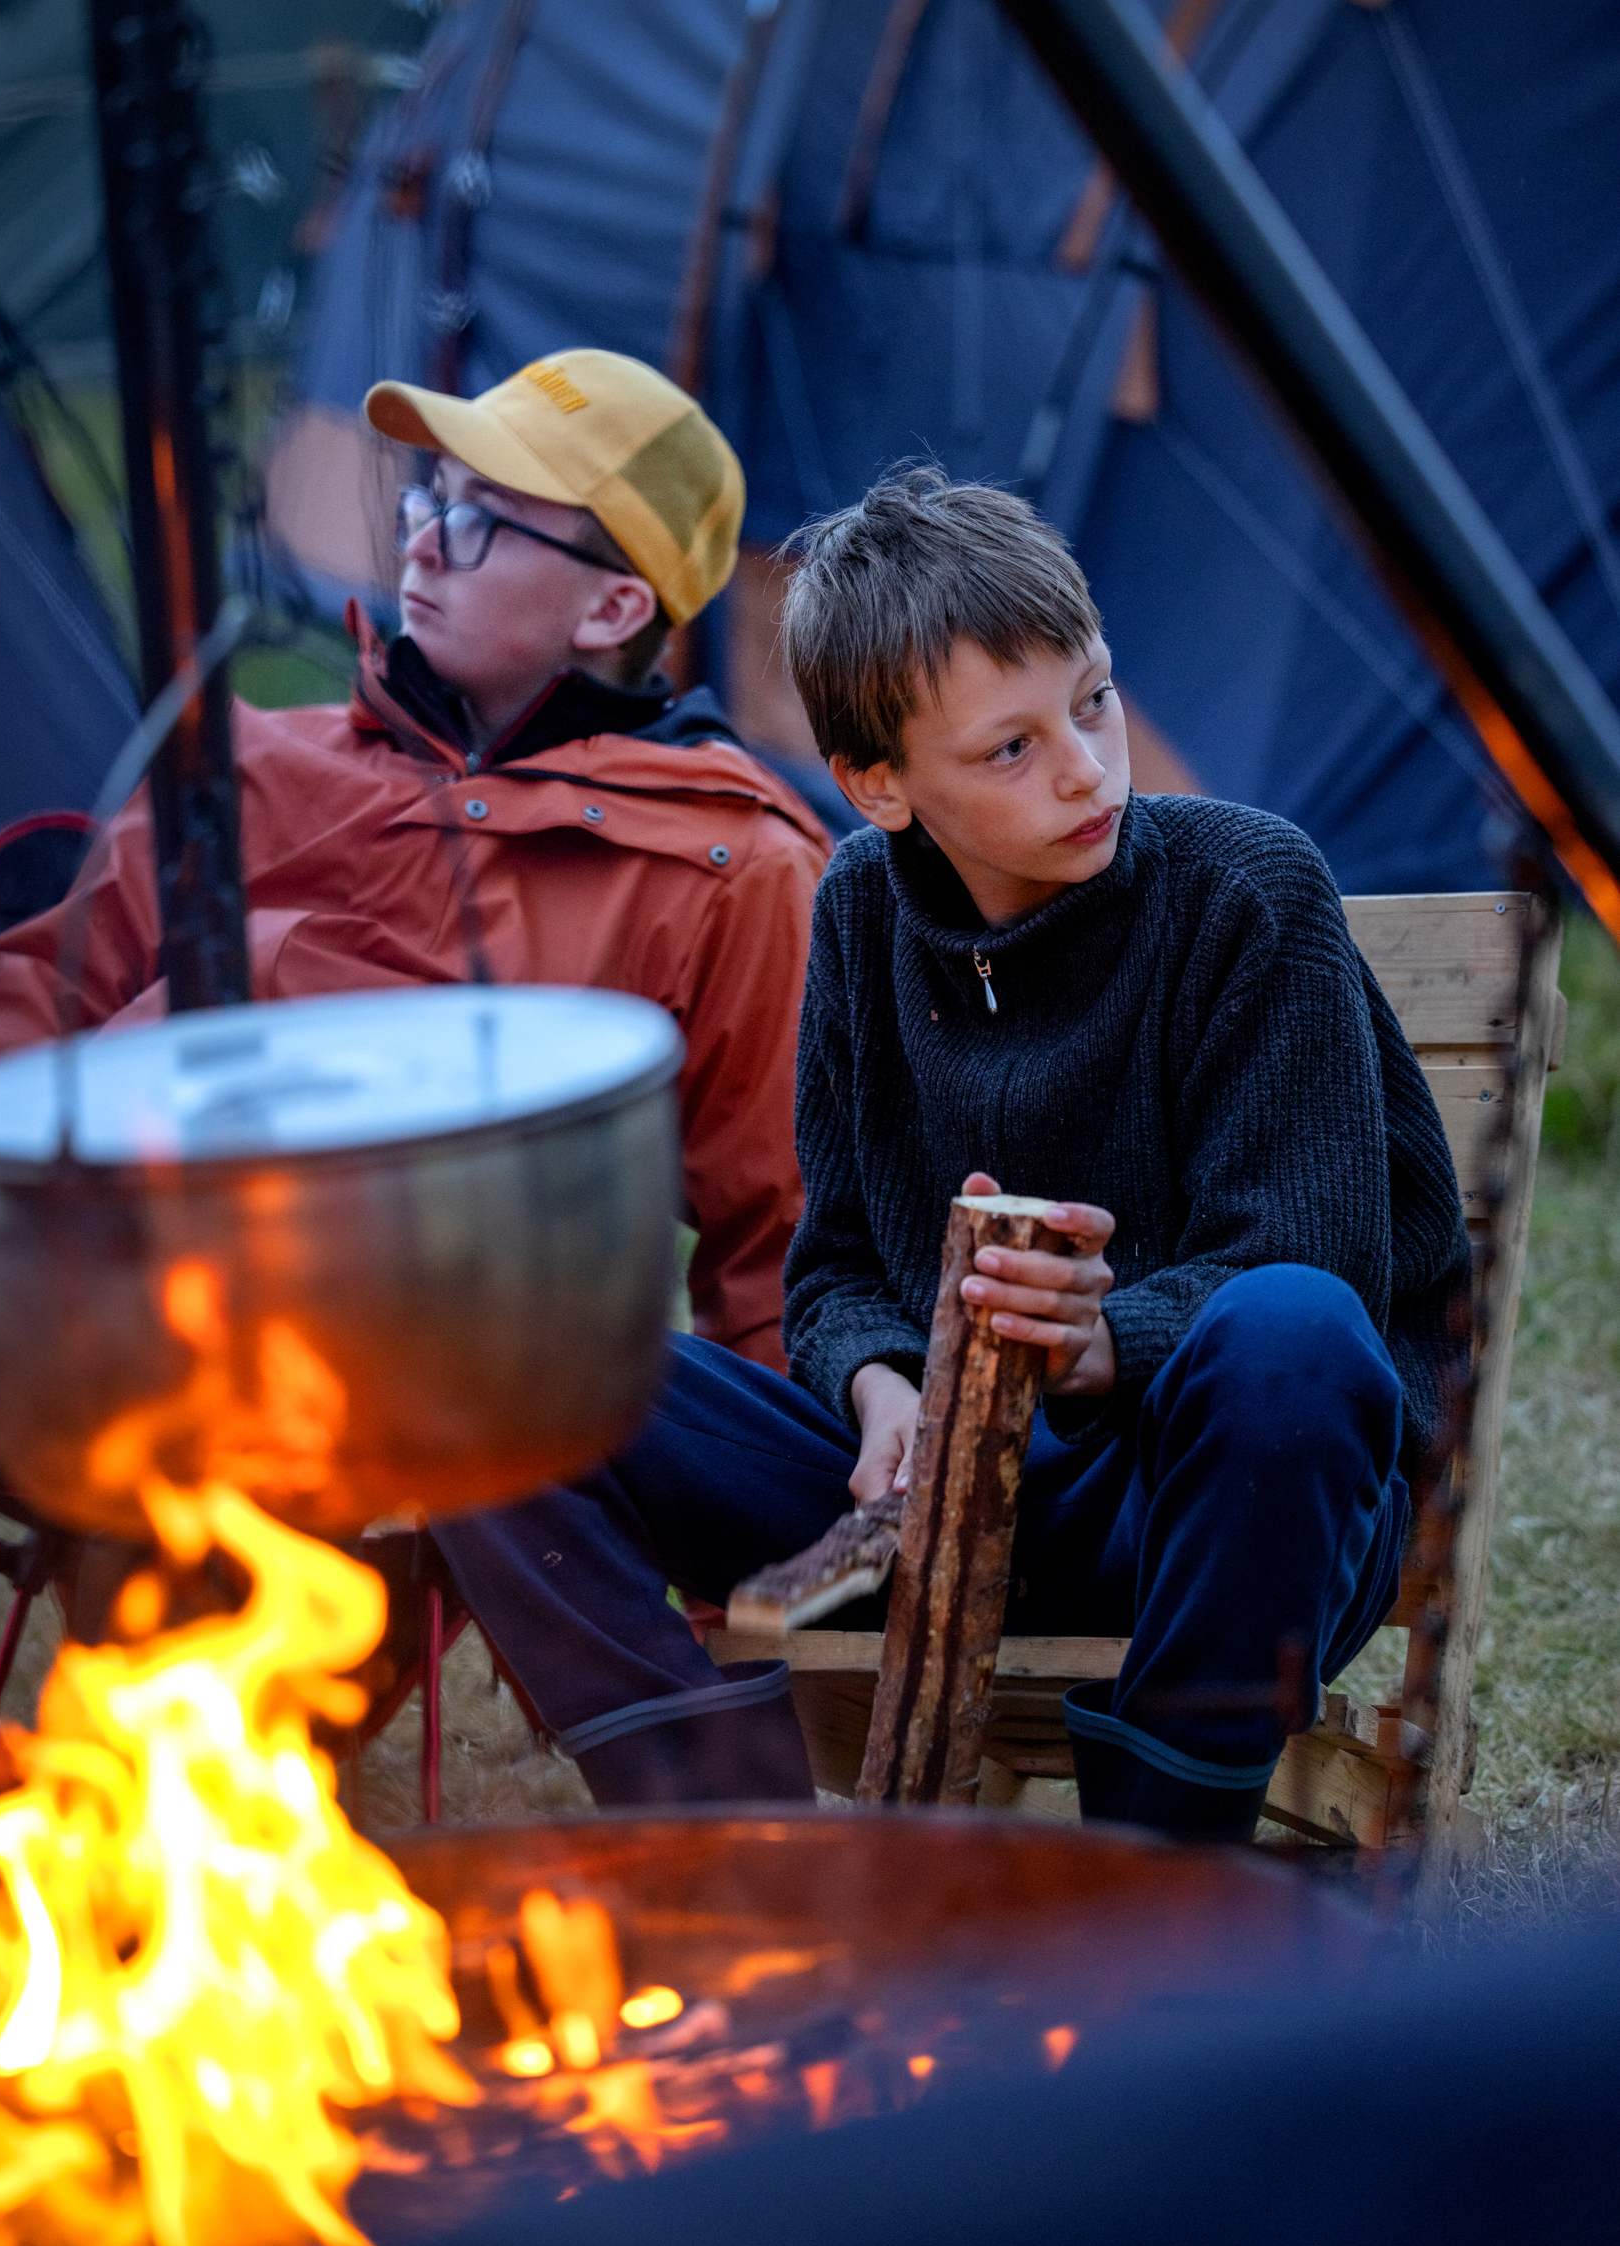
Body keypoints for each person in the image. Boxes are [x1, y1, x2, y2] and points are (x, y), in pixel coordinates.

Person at [433, 465, 1469, 1835]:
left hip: (1196, 1511)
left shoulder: (1248, 891)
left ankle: (1154, 1876)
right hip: (924, 1509)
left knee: (1292, 1325)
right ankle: (726, 1839)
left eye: (1092, 699)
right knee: (472, 1370)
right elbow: (839, 1267)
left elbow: (1315, 1253)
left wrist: (1102, 1343)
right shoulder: (863, 909)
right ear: (878, 787)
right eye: (1009, 749)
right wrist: (879, 1389)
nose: (1087, 766)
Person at [0, 355, 831, 1758]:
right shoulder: (246, 765)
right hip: (80, 1307)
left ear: (616, 605)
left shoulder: (728, 868)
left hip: (386, 1364)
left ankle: (721, 1857)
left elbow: (783, 1227)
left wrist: (772, 1541)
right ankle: (6, 1857)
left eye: (484, 515)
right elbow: (18, 1038)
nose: (423, 531)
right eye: (429, 492)